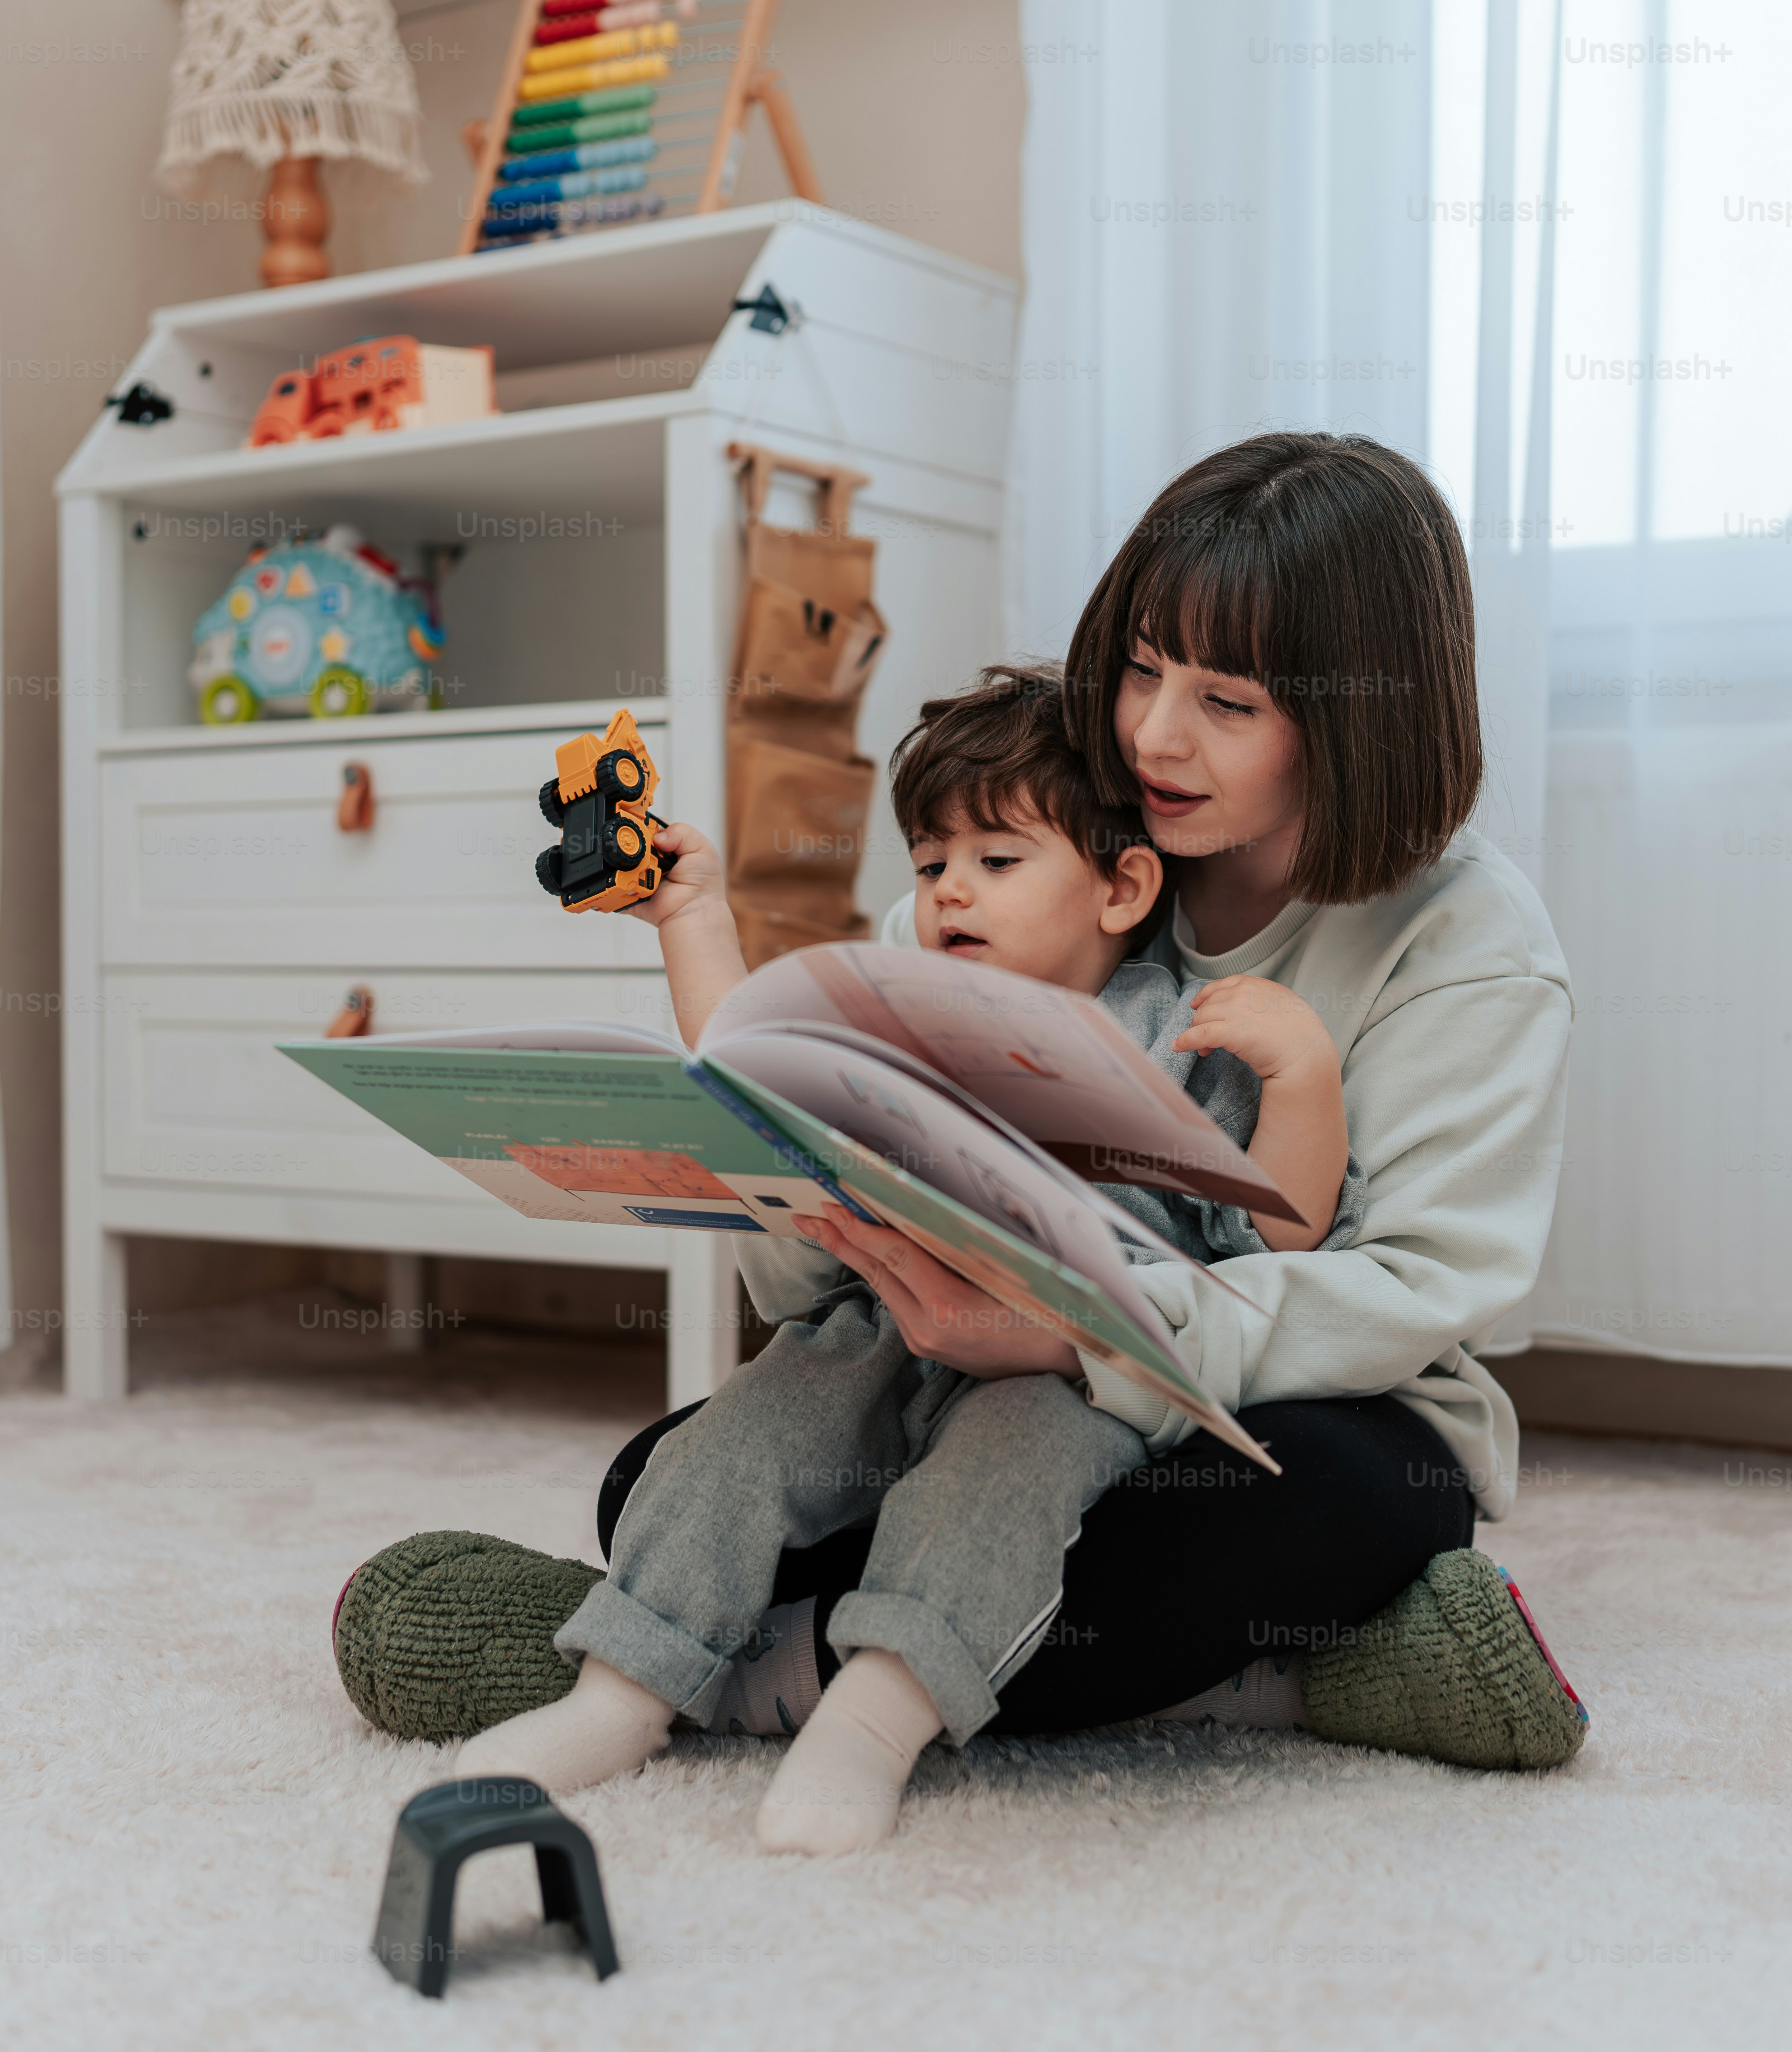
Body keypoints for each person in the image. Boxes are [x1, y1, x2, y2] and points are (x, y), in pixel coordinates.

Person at [337, 431, 1588, 1793]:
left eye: (1228, 703)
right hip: (929, 1375)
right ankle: (1285, 1678)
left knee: (1332, 1510)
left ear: (1361, 717)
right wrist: (812, 1207)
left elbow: (1407, 1290)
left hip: (1290, 1407)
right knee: (667, 1473)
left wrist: (1073, 1345)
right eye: (1142, 669)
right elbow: (798, 1278)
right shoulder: (1010, 870)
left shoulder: (1471, 944)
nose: (1155, 737)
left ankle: (742, 1671)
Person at [448, 666, 1368, 1854]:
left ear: (1121, 884)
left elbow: (1286, 1233)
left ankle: (874, 1724)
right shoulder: (900, 1004)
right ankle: (620, 1696)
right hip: (882, 1324)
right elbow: (750, 1057)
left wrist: (1306, 1075)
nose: (947, 896)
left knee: (995, 1487)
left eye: (997, 861)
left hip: (1064, 1367)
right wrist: (693, 919)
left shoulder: (1183, 1034)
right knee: (730, 1440)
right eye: (932, 866)